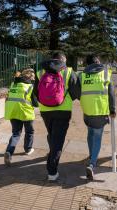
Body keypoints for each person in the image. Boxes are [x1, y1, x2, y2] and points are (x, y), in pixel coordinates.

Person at [33, 52, 78, 181]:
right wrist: (65, 97)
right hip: (63, 110)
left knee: (52, 134)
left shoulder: (40, 72)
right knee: (58, 141)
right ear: (63, 60)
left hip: (45, 110)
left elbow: (36, 91)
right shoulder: (69, 72)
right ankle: (52, 172)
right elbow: (76, 93)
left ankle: (51, 152)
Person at [78, 54, 116, 180]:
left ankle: (91, 156)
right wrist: (112, 109)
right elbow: (111, 93)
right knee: (97, 137)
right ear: (97, 61)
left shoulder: (82, 75)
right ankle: (92, 164)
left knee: (90, 133)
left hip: (87, 110)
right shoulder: (105, 73)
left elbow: (78, 92)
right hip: (100, 110)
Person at [4, 68, 38, 165]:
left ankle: (9, 152)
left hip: (13, 112)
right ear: (30, 77)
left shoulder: (13, 84)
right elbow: (35, 103)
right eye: (33, 77)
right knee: (29, 131)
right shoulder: (30, 86)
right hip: (25, 113)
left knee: (16, 133)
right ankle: (28, 149)